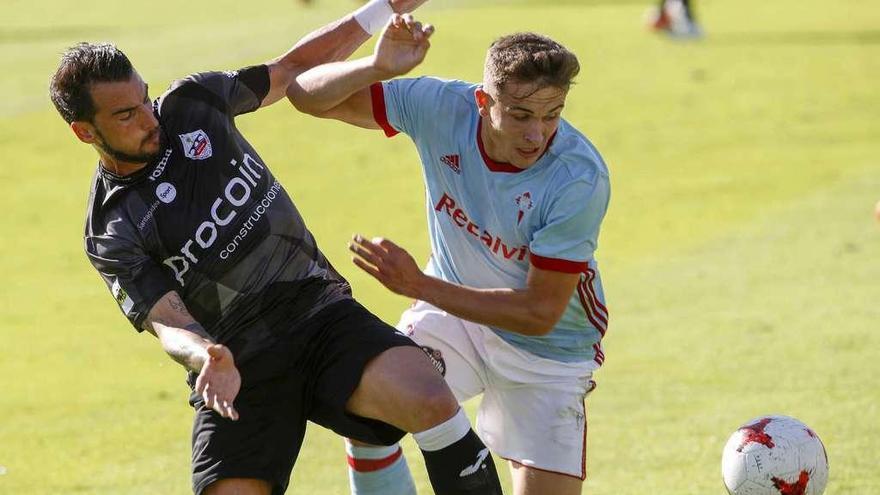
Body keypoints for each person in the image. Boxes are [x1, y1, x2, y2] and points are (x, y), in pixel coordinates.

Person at [48, 2, 503, 494]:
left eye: (144, 98)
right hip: (238, 364)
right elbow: (167, 321)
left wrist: (383, 13)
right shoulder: (112, 226)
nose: (148, 117)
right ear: (85, 131)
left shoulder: (191, 103)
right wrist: (206, 356)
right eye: (126, 114)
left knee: (430, 398)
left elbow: (292, 70)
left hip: (320, 314)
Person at [290, 24, 610, 495]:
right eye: (520, 115)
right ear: (483, 102)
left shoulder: (577, 179)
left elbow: (539, 313)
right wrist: (377, 67)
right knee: (368, 414)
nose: (536, 134)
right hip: (453, 319)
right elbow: (304, 95)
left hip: (549, 352)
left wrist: (418, 285)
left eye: (552, 115)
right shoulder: (439, 107)